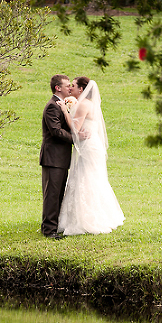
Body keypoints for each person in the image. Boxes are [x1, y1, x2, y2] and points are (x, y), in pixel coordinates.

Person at [57, 77, 125, 235]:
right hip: (92, 146)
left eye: (73, 86)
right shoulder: (90, 104)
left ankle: (87, 219)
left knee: (85, 178)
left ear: (81, 89)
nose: (71, 88)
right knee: (92, 178)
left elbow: (75, 128)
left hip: (89, 147)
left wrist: (65, 110)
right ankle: (99, 215)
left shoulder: (84, 104)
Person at [39, 74, 76, 240]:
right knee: (52, 195)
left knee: (58, 193)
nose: (70, 88)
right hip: (52, 158)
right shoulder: (52, 106)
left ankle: (54, 225)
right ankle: (48, 230)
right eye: (67, 85)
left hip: (60, 158)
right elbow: (56, 131)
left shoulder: (61, 105)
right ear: (57, 88)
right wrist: (76, 138)